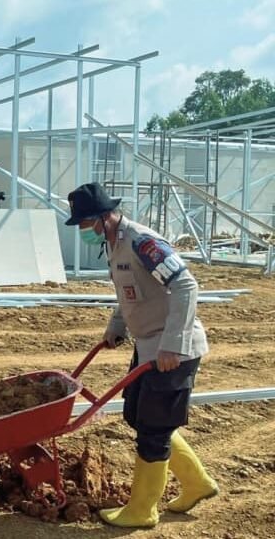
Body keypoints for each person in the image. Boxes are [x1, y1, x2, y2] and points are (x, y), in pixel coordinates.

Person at [65, 182, 218, 529]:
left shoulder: (142, 243)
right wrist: (116, 325)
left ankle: (143, 510)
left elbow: (185, 285)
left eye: (87, 224)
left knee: (153, 428)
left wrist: (173, 344)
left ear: (105, 217)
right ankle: (197, 483)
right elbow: (129, 293)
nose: (85, 231)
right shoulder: (114, 244)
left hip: (172, 350)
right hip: (149, 346)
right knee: (138, 414)